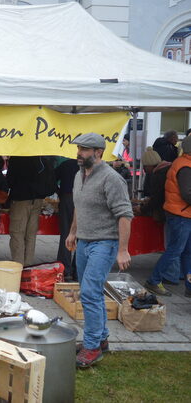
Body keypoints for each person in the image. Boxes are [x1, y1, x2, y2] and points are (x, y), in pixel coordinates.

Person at [65, 133, 132, 369]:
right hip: (83, 241)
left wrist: (122, 250)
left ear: (99, 153)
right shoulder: (78, 175)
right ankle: (101, 339)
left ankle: (91, 347)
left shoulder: (112, 179)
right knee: (89, 291)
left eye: (84, 149)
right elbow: (78, 206)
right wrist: (73, 232)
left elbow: (125, 215)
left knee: (90, 293)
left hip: (105, 243)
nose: (79, 153)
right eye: (79, 148)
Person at [145, 136, 191, 298]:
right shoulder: (185, 166)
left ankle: (189, 285)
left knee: (186, 252)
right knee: (176, 250)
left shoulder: (183, 163)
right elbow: (187, 194)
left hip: (182, 213)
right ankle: (154, 280)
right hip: (181, 214)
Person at [7, 155, 56, 266]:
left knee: (17, 233)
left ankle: (18, 266)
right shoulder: (42, 157)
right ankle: (28, 266)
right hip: (38, 200)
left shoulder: (18, 158)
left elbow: (10, 181)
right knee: (31, 234)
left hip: (21, 200)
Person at [55, 157, 79, 281]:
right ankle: (77, 270)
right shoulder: (87, 165)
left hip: (67, 198)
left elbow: (51, 179)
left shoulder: (65, 164)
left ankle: (65, 270)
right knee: (82, 236)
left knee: (66, 233)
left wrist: (59, 191)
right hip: (81, 200)